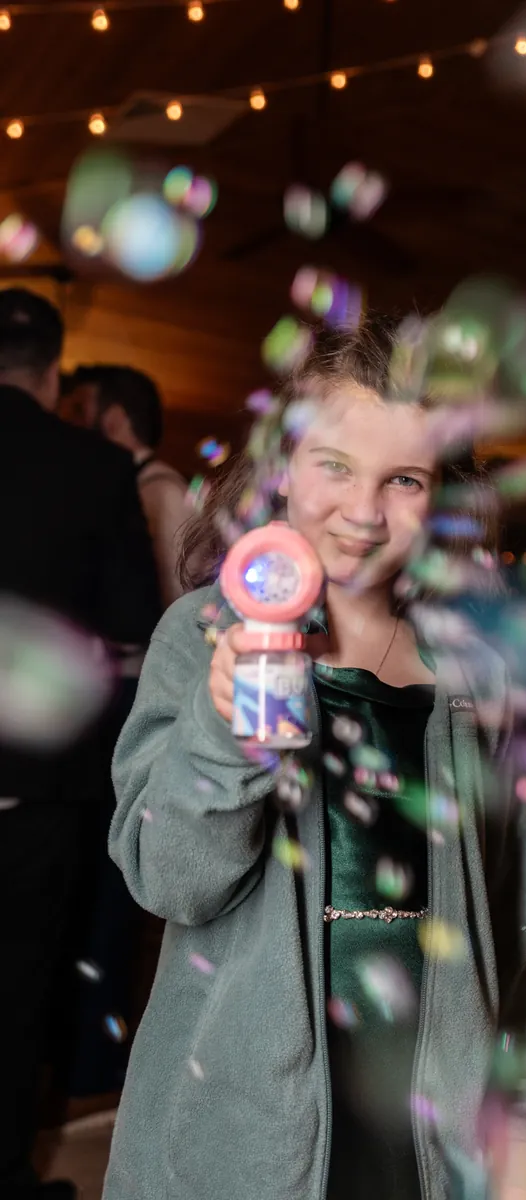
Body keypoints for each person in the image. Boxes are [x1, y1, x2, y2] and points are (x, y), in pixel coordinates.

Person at [103, 320, 526, 1200]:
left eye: (404, 480)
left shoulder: (475, 677)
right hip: (241, 1134)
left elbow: (514, 928)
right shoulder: (203, 637)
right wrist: (226, 727)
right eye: (336, 466)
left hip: (427, 1126)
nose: (363, 512)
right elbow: (170, 881)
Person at [0, 288, 161, 1200]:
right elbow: (134, 625)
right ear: (54, 371)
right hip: (35, 790)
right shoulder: (91, 469)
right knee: (18, 989)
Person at [64, 365, 188, 607]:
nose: (67, 420)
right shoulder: (131, 485)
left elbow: (178, 602)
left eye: (79, 410)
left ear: (114, 420)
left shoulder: (163, 491)